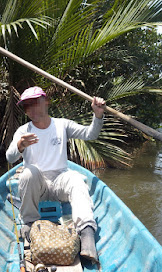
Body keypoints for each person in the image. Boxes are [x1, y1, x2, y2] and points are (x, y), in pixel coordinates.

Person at [6, 86, 105, 263]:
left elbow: (91, 134)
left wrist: (98, 115)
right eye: (26, 106)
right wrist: (20, 146)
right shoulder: (23, 130)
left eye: (35, 103)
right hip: (38, 186)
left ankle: (87, 233)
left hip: (60, 181)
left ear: (46, 102)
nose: (31, 109)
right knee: (28, 173)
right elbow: (9, 156)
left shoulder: (62, 125)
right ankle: (29, 224)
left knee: (76, 178)